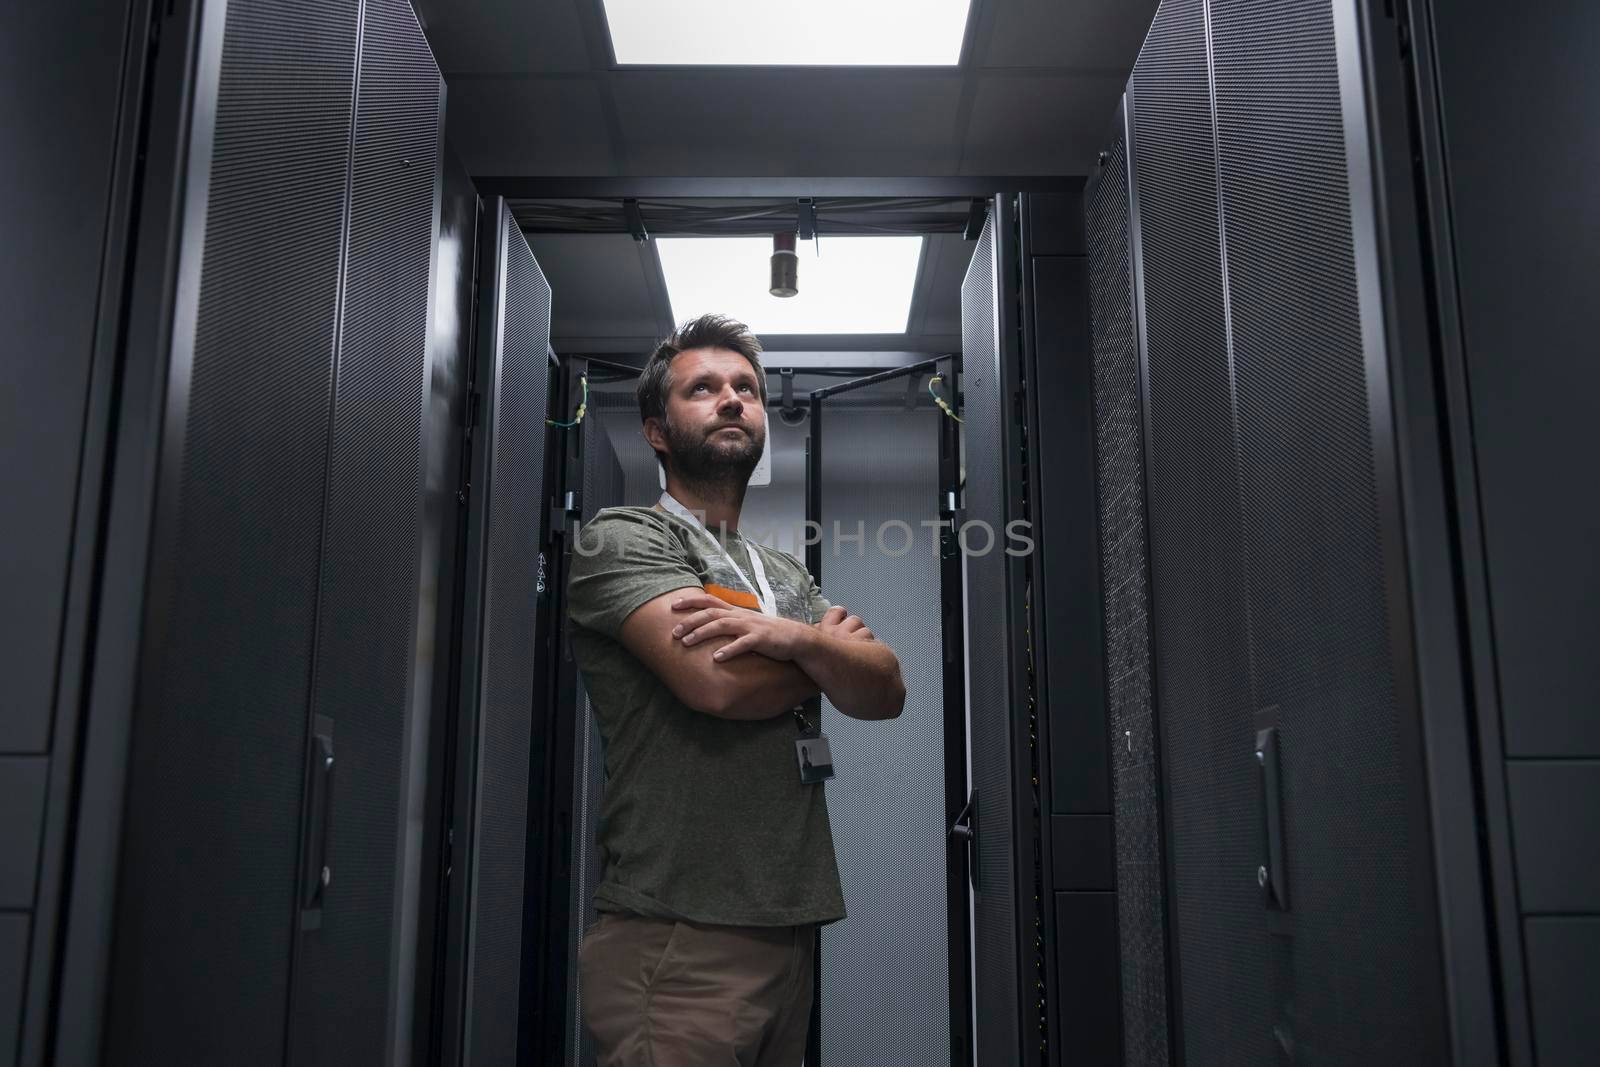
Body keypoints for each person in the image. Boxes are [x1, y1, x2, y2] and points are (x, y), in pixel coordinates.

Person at [566, 313, 906, 1066]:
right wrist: (826, 657)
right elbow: (714, 682)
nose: (732, 399)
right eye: (704, 388)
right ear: (658, 430)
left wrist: (793, 637)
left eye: (745, 388)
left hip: (788, 925)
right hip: (678, 934)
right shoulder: (623, 539)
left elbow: (884, 687)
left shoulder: (783, 575)